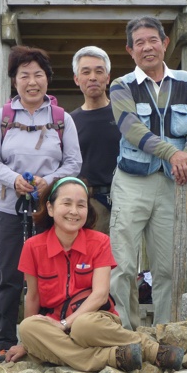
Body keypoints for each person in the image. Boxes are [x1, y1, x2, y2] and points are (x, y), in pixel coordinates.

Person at [3, 177, 183, 372]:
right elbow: (33, 297)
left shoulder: (100, 241)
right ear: (50, 208)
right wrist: (26, 343)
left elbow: (100, 295)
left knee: (82, 327)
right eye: (67, 203)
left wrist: (65, 324)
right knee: (27, 327)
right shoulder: (33, 246)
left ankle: (149, 349)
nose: (74, 211)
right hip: (54, 326)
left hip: (95, 320)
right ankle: (113, 356)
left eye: (81, 205)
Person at [0, 46, 82, 361]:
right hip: (9, 208)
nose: (32, 82)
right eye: (24, 75)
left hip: (49, 210)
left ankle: (48, 339)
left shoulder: (62, 119)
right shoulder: (1, 118)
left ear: (47, 80)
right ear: (14, 81)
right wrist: (15, 179)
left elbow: (73, 162)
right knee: (9, 275)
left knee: (51, 274)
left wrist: (48, 181)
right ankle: (3, 342)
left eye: (38, 75)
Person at [109, 16, 187, 330]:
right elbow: (131, 129)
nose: (147, 47)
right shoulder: (121, 85)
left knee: (168, 266)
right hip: (131, 182)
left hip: (172, 183)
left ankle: (166, 333)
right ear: (130, 50)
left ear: (165, 43)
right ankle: (125, 332)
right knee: (122, 263)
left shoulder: (186, 82)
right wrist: (174, 154)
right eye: (139, 43)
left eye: (153, 40)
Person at [70, 46, 121, 235]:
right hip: (88, 203)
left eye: (99, 71)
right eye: (86, 72)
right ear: (77, 79)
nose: (93, 77)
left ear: (108, 78)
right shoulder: (70, 121)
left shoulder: (125, 115)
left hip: (125, 200)